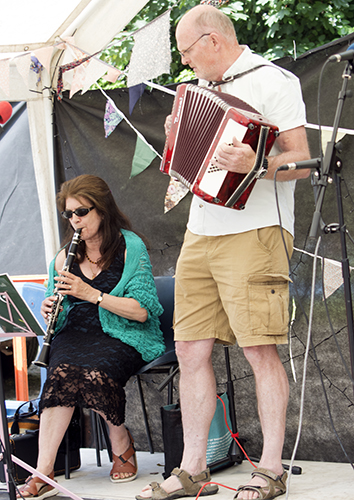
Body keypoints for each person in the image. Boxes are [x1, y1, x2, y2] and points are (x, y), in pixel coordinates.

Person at [137, 5, 311, 500]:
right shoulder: (200, 92)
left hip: (257, 229)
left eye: (188, 51)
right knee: (190, 348)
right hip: (201, 231)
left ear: (212, 41)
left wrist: (257, 162)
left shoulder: (273, 80)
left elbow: (300, 161)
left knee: (259, 347)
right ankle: (194, 469)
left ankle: (271, 468)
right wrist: (176, 141)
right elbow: (188, 165)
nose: (186, 63)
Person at [18, 174, 165, 499]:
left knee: (94, 371)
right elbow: (59, 308)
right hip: (75, 333)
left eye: (81, 212)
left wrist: (91, 293)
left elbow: (141, 311)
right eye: (68, 214)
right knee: (60, 374)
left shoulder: (130, 247)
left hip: (123, 331)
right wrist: (49, 307)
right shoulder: (63, 257)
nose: (75, 221)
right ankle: (44, 471)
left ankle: (121, 442)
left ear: (102, 209)